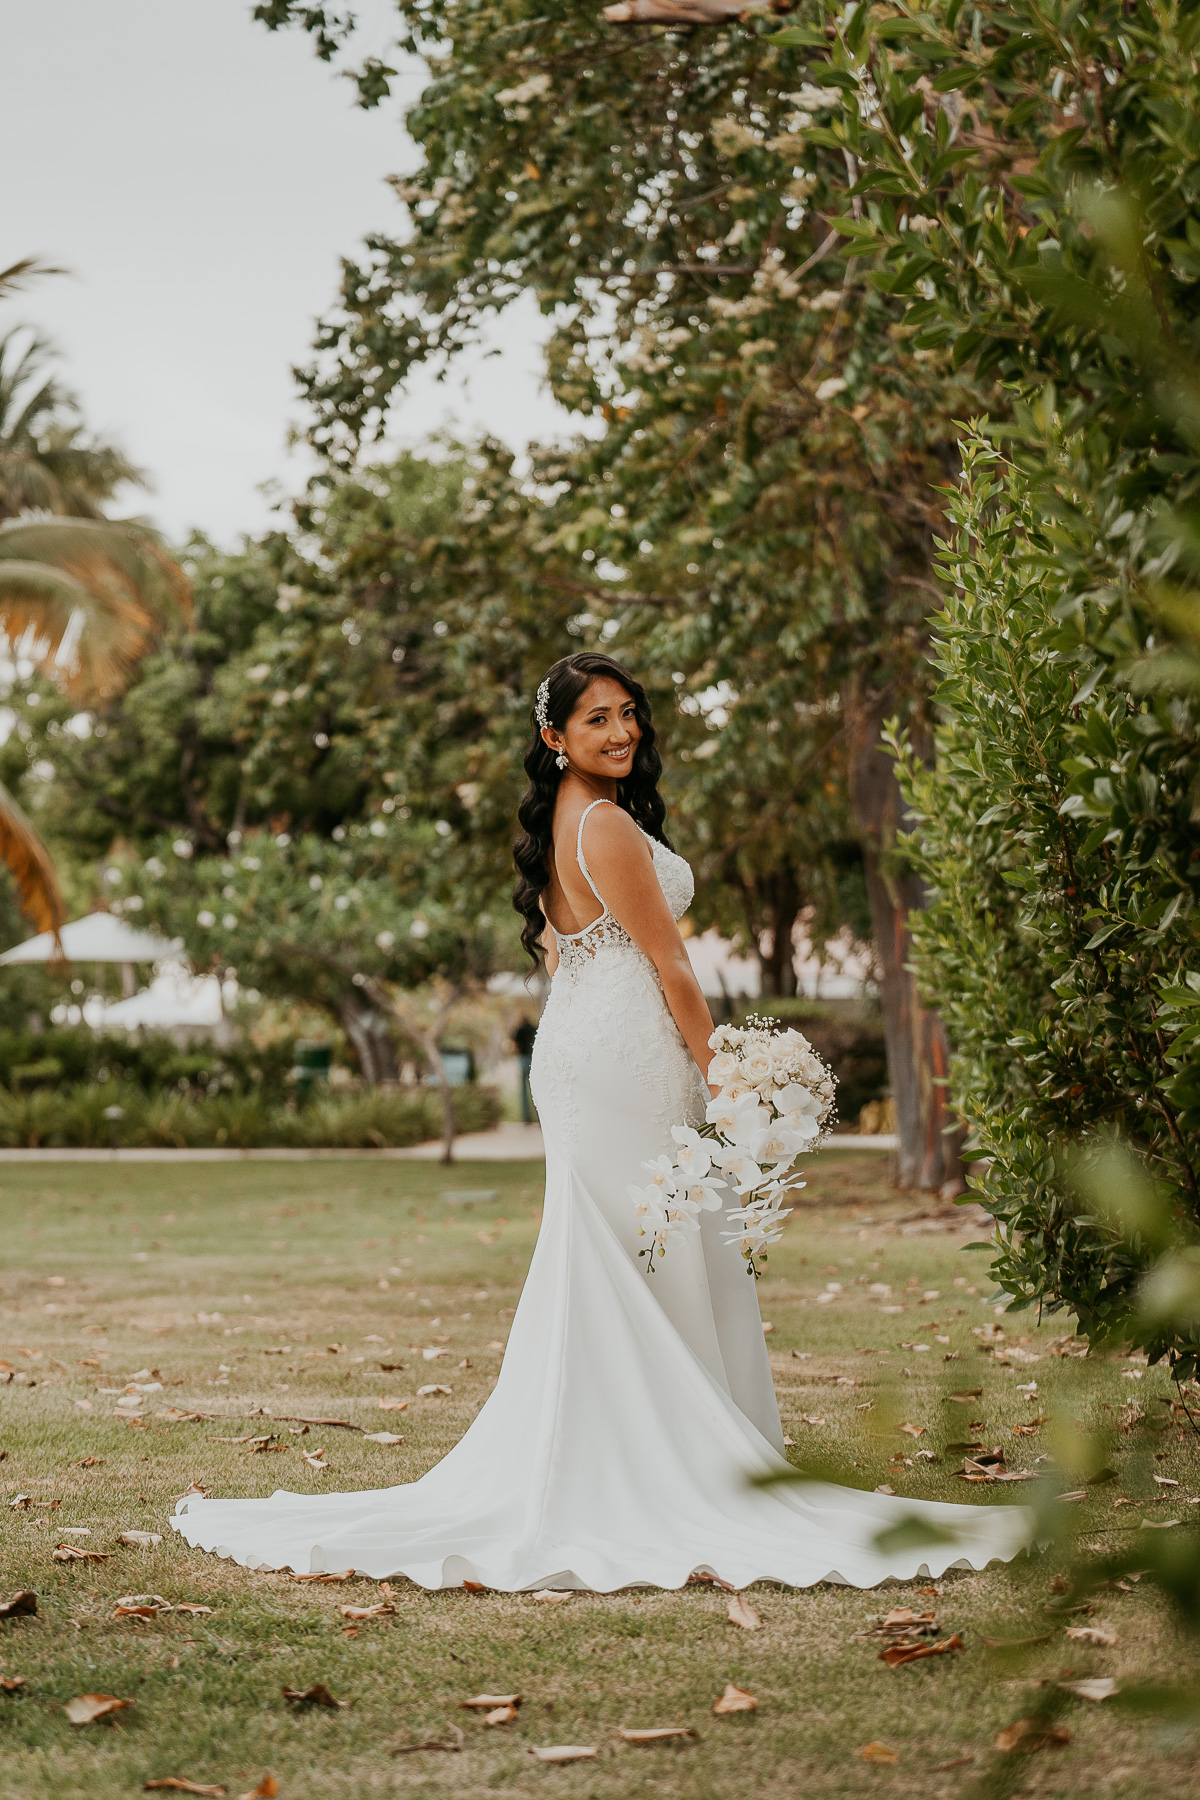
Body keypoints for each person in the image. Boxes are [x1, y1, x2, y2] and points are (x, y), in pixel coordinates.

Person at [171, 651, 1030, 1590]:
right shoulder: (606, 826)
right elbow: (672, 968)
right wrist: (728, 1076)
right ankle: (659, 1467)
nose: (621, 732)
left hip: (592, 1046)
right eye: (597, 721)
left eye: (629, 714)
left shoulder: (560, 828)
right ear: (555, 738)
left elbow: (566, 958)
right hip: (628, 1053)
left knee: (635, 1244)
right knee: (643, 1245)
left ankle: (638, 1450)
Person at [511, 1016, 538, 1124]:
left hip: (523, 1058)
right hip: (533, 1058)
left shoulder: (520, 1029)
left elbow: (514, 1043)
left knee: (524, 1090)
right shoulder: (533, 1028)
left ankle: (526, 1118)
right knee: (535, 1089)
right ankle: (538, 1117)